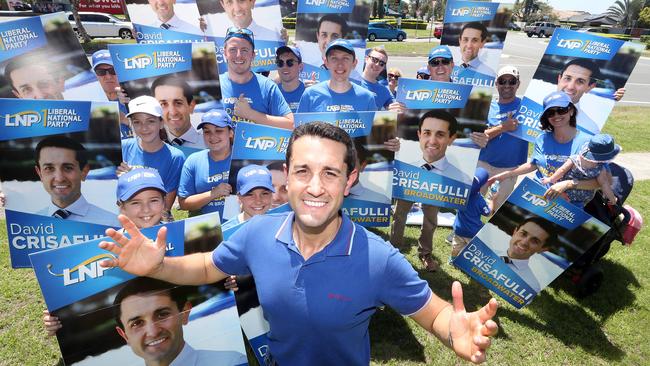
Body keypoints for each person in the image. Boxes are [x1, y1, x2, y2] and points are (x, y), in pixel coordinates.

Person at [99, 121, 499, 365]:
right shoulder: (257, 233)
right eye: (303, 171)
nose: (314, 187)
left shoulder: (378, 258)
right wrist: (157, 267)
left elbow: (434, 314)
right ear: (286, 176)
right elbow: (207, 266)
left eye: (330, 173)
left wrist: (455, 330)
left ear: (350, 180)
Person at [43, 168, 168, 336]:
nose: (146, 209)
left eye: (153, 200)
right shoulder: (104, 250)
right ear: (121, 207)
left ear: (164, 202)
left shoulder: (183, 238)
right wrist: (58, 321)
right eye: (135, 202)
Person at [488, 91, 602, 204]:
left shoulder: (588, 142)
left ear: (571, 111)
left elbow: (600, 181)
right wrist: (507, 174)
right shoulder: (542, 139)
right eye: (551, 113)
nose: (556, 115)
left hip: (568, 206)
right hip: (536, 196)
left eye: (561, 110)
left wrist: (567, 184)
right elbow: (533, 164)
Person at [391, 110, 470, 272]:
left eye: (440, 134)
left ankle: (425, 253)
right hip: (409, 180)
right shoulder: (405, 165)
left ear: (451, 138)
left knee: (430, 220)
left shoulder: (457, 175)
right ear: (419, 134)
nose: (432, 140)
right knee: (399, 215)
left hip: (439, 184)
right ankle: (393, 250)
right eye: (427, 133)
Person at [114, 277, 247, 365]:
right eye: (137, 323)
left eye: (162, 315)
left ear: (184, 313)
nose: (153, 332)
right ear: (124, 335)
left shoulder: (231, 362)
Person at [121, 95, 186, 217]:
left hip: (153, 223)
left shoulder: (175, 157)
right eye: (137, 122)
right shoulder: (122, 148)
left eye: (150, 121)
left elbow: (165, 208)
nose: (144, 128)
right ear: (132, 124)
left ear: (161, 123)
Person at [34, 136, 119, 227]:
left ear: (84, 172)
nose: (59, 178)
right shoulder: (27, 224)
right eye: (49, 168)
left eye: (68, 168)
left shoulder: (112, 224)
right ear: (39, 173)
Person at [219, 27, 293, 129]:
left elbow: (290, 124)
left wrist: (250, 114)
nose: (238, 55)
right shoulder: (213, 84)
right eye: (233, 50)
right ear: (225, 53)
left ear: (253, 55)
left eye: (244, 50)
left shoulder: (267, 86)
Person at [478, 66, 528, 212]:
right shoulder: (487, 106)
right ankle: (465, 234)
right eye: (502, 81)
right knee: (472, 203)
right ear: (496, 84)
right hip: (483, 165)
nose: (507, 85)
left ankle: (486, 235)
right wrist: (503, 127)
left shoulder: (526, 108)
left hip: (509, 169)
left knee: (496, 209)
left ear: (518, 84)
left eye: (512, 81)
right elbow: (479, 137)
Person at [178, 110, 233, 217]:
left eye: (219, 130)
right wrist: (214, 193)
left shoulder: (241, 158)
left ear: (230, 132)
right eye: (207, 132)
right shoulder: (193, 161)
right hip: (205, 229)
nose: (212, 136)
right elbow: (183, 203)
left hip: (237, 225)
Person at [297, 39, 376, 113]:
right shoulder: (310, 95)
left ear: (354, 63)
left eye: (345, 58)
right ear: (326, 63)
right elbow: (300, 127)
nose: (340, 64)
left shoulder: (367, 98)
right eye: (334, 58)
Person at [541, 133, 620, 206]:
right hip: (581, 199)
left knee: (552, 206)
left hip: (563, 191)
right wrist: (612, 198)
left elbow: (562, 170)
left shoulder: (574, 159)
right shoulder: (600, 169)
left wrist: (550, 179)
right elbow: (604, 185)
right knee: (573, 214)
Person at [553, 58, 625, 134]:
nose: (570, 87)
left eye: (580, 81)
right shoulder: (539, 103)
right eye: (567, 78)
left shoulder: (590, 128)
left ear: (590, 87)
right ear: (559, 79)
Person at [492, 217, 554, 293]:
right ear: (515, 232)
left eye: (534, 241)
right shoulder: (481, 251)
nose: (524, 242)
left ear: (542, 249)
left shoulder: (531, 286)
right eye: (523, 234)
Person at [151, 74, 206, 150]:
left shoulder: (211, 144)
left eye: (178, 103)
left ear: (191, 106)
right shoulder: (150, 144)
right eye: (163, 104)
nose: (173, 112)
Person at [91, 49, 132, 139]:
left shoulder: (133, 99)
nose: (108, 77)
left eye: (113, 70)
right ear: (95, 75)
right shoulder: (90, 103)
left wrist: (124, 119)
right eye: (101, 72)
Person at [450, 168, 491, 259]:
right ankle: (465, 263)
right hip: (472, 231)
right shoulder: (480, 201)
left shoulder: (460, 195)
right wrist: (493, 201)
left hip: (459, 229)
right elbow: (487, 213)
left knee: (456, 246)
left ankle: (452, 259)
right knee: (470, 250)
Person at [221, 164, 274, 231]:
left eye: (264, 194)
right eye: (250, 194)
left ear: (271, 195)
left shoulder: (282, 225)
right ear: (239, 198)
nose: (258, 201)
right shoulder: (226, 232)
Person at [219, 0, 283, 41]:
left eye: (241, 0)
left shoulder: (273, 37)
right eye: (229, 2)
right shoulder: (217, 41)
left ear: (252, 1)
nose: (237, 9)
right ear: (223, 5)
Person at [276, 46, 306, 113]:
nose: (284, 67)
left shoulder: (309, 93)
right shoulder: (271, 93)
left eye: (290, 62)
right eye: (280, 63)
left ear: (300, 67)